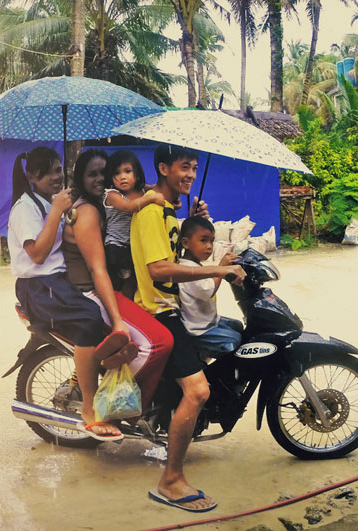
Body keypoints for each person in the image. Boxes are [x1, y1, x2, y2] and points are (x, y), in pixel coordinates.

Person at [131, 143, 246, 513]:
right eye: (184, 167)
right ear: (163, 168)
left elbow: (176, 247)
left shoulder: (167, 211)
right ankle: (170, 480)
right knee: (197, 391)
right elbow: (159, 269)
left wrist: (190, 219)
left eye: (194, 168)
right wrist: (216, 269)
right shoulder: (151, 209)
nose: (191, 175)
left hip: (171, 308)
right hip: (158, 312)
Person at [7, 146, 126, 442]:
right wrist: (58, 211)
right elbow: (36, 254)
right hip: (38, 285)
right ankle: (88, 408)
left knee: (101, 316)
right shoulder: (25, 208)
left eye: (59, 170)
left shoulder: (49, 201)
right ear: (32, 176)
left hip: (56, 282)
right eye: (47, 173)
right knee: (88, 318)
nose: (55, 177)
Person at [62, 148, 173, 412]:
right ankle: (118, 402)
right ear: (80, 178)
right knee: (158, 343)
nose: (101, 179)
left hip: (110, 283)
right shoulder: (88, 211)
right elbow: (98, 270)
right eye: (93, 174)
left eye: (104, 172)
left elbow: (141, 189)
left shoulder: (101, 203)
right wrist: (118, 320)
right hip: (95, 290)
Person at [178, 216, 244, 357]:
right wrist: (221, 268)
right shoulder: (186, 269)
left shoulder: (196, 265)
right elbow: (208, 290)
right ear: (185, 243)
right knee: (234, 340)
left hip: (209, 320)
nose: (209, 246)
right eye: (203, 240)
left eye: (211, 241)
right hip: (198, 330)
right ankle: (223, 376)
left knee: (238, 326)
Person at [102, 150, 165, 298]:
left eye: (128, 171)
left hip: (134, 247)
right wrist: (150, 199)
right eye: (116, 173)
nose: (122, 177)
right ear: (111, 178)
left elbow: (159, 190)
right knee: (126, 283)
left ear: (137, 175)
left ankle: (130, 307)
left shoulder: (142, 191)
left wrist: (174, 201)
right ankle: (125, 310)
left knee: (136, 280)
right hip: (117, 247)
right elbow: (128, 207)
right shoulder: (112, 195)